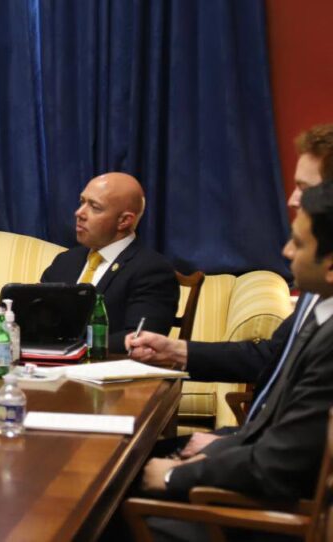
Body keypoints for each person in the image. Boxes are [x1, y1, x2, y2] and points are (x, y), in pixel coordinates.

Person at [132, 184, 333, 540]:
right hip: (256, 467)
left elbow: (283, 462)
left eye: (299, 244)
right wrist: (225, 446)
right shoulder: (321, 307)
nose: (286, 251)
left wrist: (175, 475)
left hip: (265, 514)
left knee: (101, 507)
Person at [132, 124, 333, 459]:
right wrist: (176, 351)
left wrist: (219, 451)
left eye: (304, 188)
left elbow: (303, 445)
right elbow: (268, 357)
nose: (292, 199)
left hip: (262, 459)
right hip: (251, 441)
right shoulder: (316, 285)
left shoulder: (320, 279)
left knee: (120, 472)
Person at [40, 172, 178, 352]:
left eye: (94, 207)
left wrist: (76, 350)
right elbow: (37, 317)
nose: (79, 213)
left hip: (106, 367)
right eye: (82, 202)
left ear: (124, 220)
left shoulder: (152, 270)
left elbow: (140, 338)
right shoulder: (65, 261)